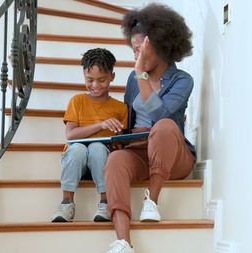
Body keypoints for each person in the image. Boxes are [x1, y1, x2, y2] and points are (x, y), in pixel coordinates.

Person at [104, 3, 195, 253]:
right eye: (134, 51)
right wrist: (119, 136)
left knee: (164, 126)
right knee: (115, 161)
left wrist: (141, 74)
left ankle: (152, 200)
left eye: (140, 50)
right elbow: (129, 117)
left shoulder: (182, 80)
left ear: (161, 46)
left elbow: (160, 115)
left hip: (173, 154)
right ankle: (123, 241)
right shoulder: (133, 79)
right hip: (139, 151)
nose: (136, 56)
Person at [51, 48, 128, 222]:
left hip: (102, 162)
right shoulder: (77, 101)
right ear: (83, 76)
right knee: (78, 148)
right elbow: (71, 135)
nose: (95, 85)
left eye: (101, 80)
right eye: (89, 80)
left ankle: (105, 202)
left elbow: (122, 142)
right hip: (75, 160)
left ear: (112, 77)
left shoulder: (120, 108)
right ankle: (67, 203)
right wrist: (101, 124)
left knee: (97, 148)